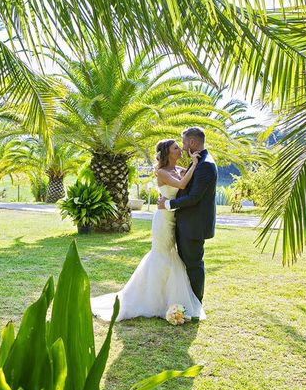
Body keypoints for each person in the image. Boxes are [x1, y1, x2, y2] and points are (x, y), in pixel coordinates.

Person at [90, 138, 206, 322]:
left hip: (174, 219)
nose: (180, 150)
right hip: (162, 221)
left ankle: (167, 299)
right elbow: (183, 184)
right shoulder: (162, 172)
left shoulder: (177, 169)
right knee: (160, 255)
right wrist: (194, 163)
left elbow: (189, 181)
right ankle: (151, 300)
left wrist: (193, 164)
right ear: (168, 153)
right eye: (176, 148)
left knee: (170, 256)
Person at [158, 127, 217, 305]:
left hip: (194, 225)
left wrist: (168, 204)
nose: (182, 147)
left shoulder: (204, 164)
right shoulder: (198, 161)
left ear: (192, 142)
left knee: (194, 265)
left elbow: (194, 197)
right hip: (183, 223)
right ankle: (186, 300)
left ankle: (196, 303)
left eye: (183, 143)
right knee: (185, 264)